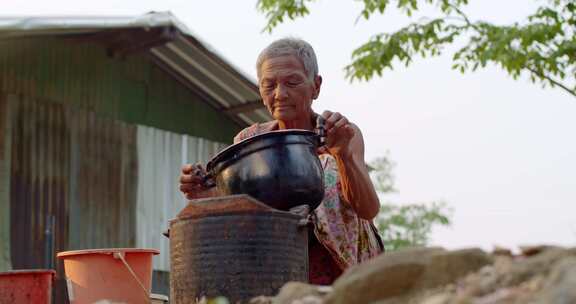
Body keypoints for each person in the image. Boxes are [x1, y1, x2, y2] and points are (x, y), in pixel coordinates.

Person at [179, 38, 383, 285]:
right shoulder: (249, 141)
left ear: (315, 86)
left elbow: (368, 210)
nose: (280, 94)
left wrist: (343, 156)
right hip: (276, 271)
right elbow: (240, 208)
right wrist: (205, 192)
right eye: (269, 85)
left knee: (328, 169)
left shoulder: (339, 134)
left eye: (292, 82)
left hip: (342, 276)